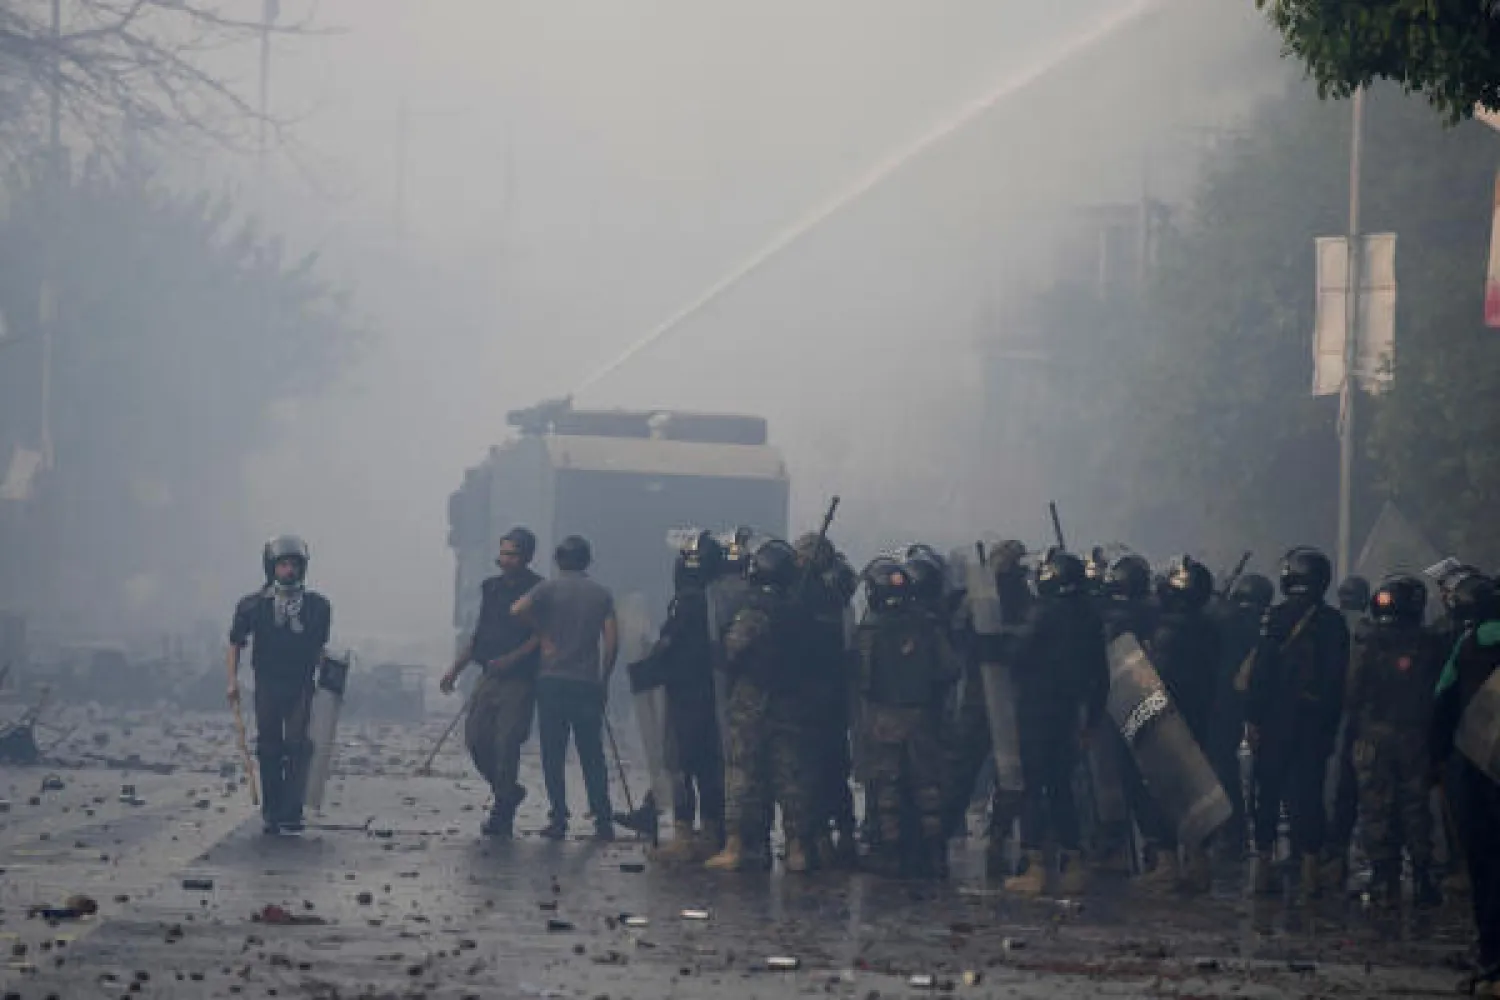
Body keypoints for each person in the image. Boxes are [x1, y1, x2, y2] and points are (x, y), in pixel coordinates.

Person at [1243, 546, 1349, 902]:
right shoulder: (1333, 623)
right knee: (1309, 796)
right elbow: (1337, 682)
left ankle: (1262, 870)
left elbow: (1260, 674)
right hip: (1314, 724)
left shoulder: (1274, 618)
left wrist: (1253, 718)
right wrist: (1329, 726)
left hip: (1275, 721)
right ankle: (1310, 874)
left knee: (1267, 795)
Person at [1004, 548, 1109, 896]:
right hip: (1072, 714)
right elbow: (1101, 676)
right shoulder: (1091, 618)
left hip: (1037, 710)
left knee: (1033, 787)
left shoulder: (1042, 614)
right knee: (1062, 788)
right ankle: (1074, 862)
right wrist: (1091, 721)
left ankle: (1035, 867)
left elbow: (1017, 656)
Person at [706, 538, 813, 873]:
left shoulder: (753, 609)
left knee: (742, 772)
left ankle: (736, 845)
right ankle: (797, 848)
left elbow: (732, 649)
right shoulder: (799, 610)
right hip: (790, 701)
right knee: (789, 775)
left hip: (751, 701)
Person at [1346, 574, 1444, 924]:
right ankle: (1422, 877)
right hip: (1416, 735)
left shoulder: (1368, 641)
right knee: (1415, 806)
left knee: (1376, 806)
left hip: (1374, 735)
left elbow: (1352, 691)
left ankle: (1383, 879)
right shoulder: (1431, 643)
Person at [855, 557, 960, 877]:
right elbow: (950, 669)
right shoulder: (928, 624)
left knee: (886, 786)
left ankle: (890, 853)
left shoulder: (869, 629)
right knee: (928, 786)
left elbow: (861, 679)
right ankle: (935, 853)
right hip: (923, 715)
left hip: (883, 716)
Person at [512, 535, 620, 841]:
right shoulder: (602, 595)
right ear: (587, 561)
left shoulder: (547, 589)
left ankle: (559, 818)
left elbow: (517, 609)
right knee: (592, 754)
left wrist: (544, 635)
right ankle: (603, 819)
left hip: (552, 681)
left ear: (559, 560)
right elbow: (612, 642)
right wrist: (604, 679)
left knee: (553, 753)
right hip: (586, 683)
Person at [227, 535, 333, 835]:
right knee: (269, 745)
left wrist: (329, 679)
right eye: (283, 564)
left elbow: (319, 647)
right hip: (268, 684)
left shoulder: (317, 607)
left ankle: (292, 810)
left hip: (301, 684)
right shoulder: (253, 606)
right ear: (271, 567)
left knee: (298, 745)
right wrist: (232, 681)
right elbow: (235, 643)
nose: (289, 570)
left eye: (293, 565)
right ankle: (272, 810)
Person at [441, 528, 543, 838]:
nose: (505, 560)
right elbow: (479, 633)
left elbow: (541, 636)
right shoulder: (491, 588)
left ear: (526, 557)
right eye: (503, 553)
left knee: (507, 743)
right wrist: (455, 669)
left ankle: (502, 812)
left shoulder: (538, 590)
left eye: (512, 554)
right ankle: (508, 791)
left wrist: (512, 659)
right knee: (476, 738)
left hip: (520, 680)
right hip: (488, 675)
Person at [1133, 555, 1221, 895]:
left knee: (1163, 791)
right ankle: (1199, 863)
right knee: (1193, 791)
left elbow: (1156, 679)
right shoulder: (1211, 628)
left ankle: (1168, 865)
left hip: (1167, 721)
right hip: (1199, 718)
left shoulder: (1169, 632)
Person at [1432, 573, 1500, 997]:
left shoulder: (1470, 644)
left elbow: (1442, 702)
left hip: (1478, 772)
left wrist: (1436, 762)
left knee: (1486, 868)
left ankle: (1492, 965)